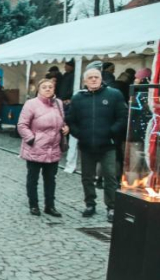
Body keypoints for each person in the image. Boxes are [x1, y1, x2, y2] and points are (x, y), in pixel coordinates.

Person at [65, 68, 128, 222]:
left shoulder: (114, 95)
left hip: (108, 145)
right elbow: (70, 120)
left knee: (110, 177)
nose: (94, 80)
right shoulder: (78, 98)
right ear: (85, 81)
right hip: (86, 146)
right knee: (87, 177)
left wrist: (111, 132)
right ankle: (90, 204)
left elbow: (123, 117)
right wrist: (79, 134)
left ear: (101, 79)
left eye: (96, 77)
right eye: (90, 78)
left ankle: (112, 207)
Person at [16, 78, 68, 217]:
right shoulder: (31, 104)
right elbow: (22, 125)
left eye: (50, 87)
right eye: (44, 87)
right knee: (33, 179)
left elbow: (61, 121)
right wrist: (32, 139)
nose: (48, 89)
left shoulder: (59, 103)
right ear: (38, 89)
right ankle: (34, 205)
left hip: (53, 148)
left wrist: (65, 128)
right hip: (36, 148)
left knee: (51, 180)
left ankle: (50, 206)